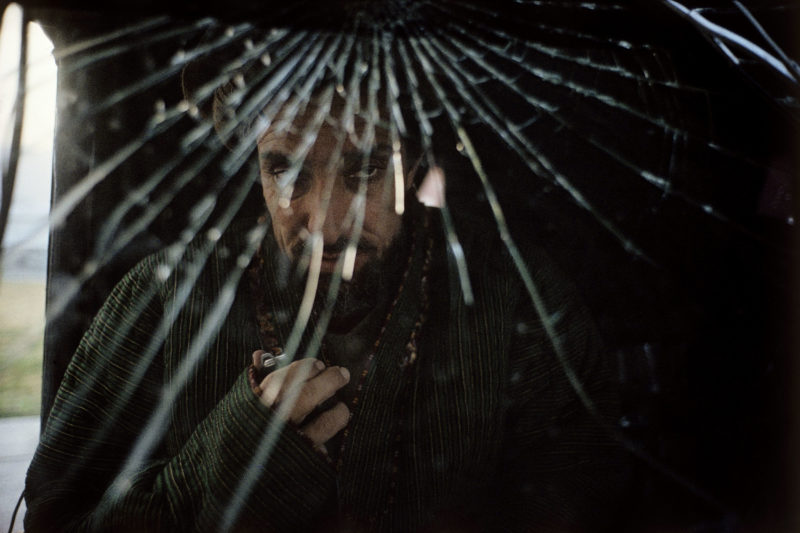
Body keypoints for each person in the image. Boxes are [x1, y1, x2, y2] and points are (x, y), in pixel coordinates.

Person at [24, 58, 629, 532]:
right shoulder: (164, 298)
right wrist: (231, 465)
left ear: (412, 157)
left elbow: (593, 494)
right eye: (286, 172)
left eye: (364, 171)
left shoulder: (509, 290)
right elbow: (56, 520)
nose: (326, 222)